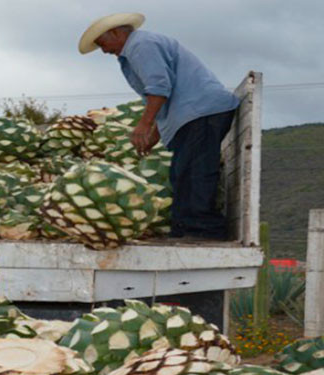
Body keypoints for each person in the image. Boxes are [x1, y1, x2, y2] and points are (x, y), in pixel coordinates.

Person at [79, 13, 239, 240]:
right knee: (181, 173)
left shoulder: (141, 46)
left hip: (200, 111)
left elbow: (159, 87)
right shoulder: (137, 48)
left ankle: (204, 230)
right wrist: (155, 133)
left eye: (103, 44)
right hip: (191, 115)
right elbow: (162, 93)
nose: (104, 51)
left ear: (116, 33)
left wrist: (144, 125)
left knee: (196, 172)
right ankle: (184, 228)